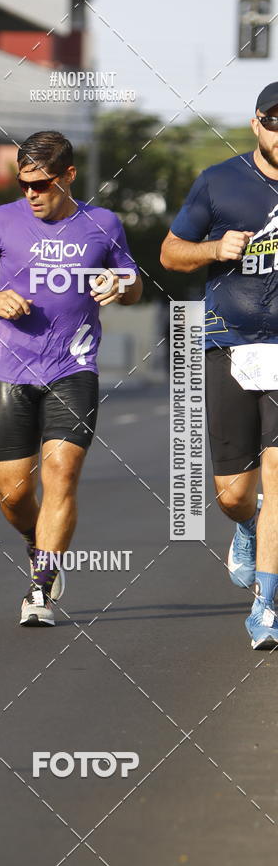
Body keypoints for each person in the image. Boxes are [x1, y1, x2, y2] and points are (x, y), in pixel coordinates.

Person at [0, 131, 142, 626]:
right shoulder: (2, 220)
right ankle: (37, 542)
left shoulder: (103, 225)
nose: (32, 193)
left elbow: (134, 283)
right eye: (24, 183)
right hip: (11, 370)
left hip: (73, 367)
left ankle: (39, 591)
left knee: (61, 473)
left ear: (69, 176)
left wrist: (117, 284)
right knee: (14, 495)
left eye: (43, 183)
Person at [160, 82, 278, 649]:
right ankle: (246, 528)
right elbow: (168, 253)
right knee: (234, 491)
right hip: (227, 344)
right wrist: (213, 249)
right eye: (275, 121)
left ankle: (267, 607)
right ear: (257, 123)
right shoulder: (219, 181)